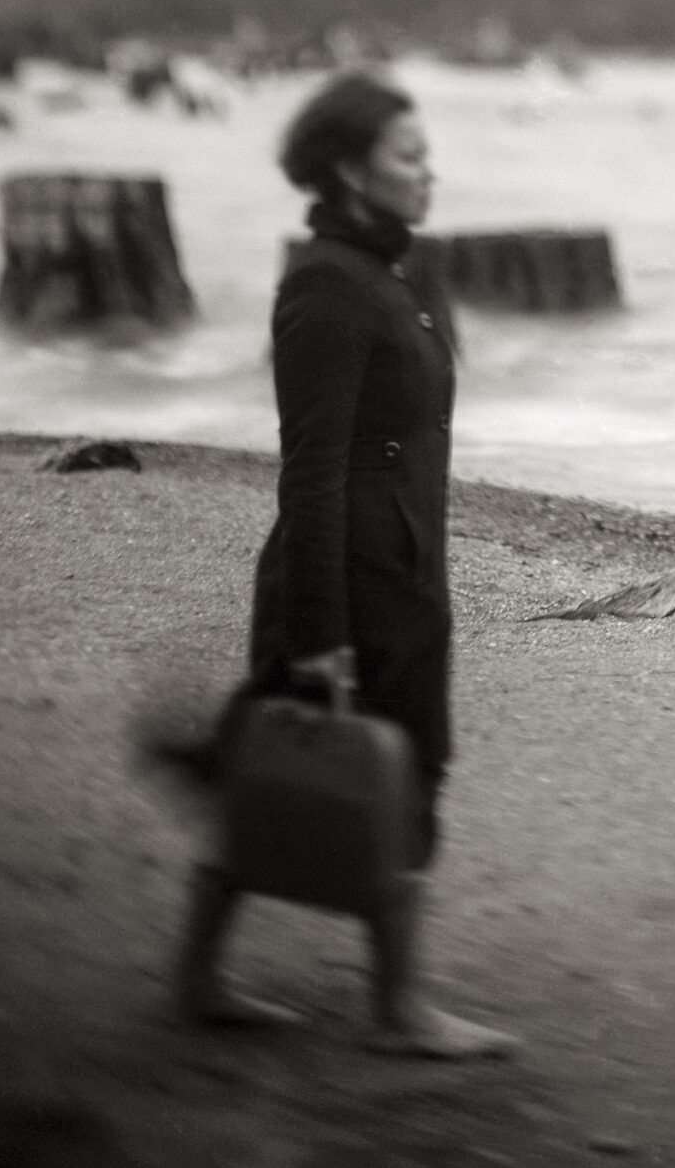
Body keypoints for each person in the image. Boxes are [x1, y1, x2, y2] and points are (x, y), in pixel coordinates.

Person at [172, 70, 513, 1058]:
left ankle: (231, 983)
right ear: (349, 169)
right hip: (346, 581)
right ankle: (393, 1008)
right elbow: (310, 471)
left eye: (426, 153)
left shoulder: (398, 273)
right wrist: (318, 632)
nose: (428, 172)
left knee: (374, 766)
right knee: (319, 767)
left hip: (404, 569)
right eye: (409, 156)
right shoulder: (324, 286)